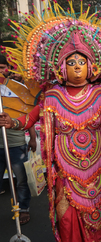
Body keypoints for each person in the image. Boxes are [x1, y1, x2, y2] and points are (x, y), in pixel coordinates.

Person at [0, 0, 101, 241]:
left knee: (99, 218)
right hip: (65, 171)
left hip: (97, 168)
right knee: (67, 218)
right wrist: (13, 123)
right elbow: (31, 118)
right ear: (61, 67)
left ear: (91, 65)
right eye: (71, 63)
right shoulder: (52, 96)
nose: (78, 68)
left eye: (82, 62)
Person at [0, 55, 37, 225]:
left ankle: (23, 209)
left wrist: (33, 137)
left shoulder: (18, 89)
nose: (0, 71)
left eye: (2, 67)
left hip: (16, 144)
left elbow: (28, 113)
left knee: (21, 180)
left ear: (7, 69)